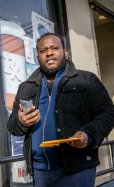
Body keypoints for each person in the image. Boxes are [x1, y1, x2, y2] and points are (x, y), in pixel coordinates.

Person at [7, 33, 114, 187]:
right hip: (39, 171)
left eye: (54, 48)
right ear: (38, 57)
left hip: (76, 170)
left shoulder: (86, 80)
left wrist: (88, 135)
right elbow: (12, 126)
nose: (49, 53)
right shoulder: (25, 87)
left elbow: (108, 113)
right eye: (43, 51)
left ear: (65, 52)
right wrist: (21, 122)